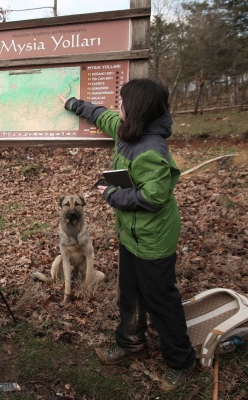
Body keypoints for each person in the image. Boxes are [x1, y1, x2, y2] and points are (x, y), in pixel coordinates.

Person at [60, 78, 196, 392]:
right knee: (130, 293)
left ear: (135, 109)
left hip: (153, 238)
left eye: (122, 101)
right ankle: (131, 342)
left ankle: (180, 360)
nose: (117, 105)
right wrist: (72, 104)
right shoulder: (127, 130)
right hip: (130, 234)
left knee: (160, 299)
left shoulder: (152, 149)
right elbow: (103, 115)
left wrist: (111, 195)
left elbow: (153, 197)